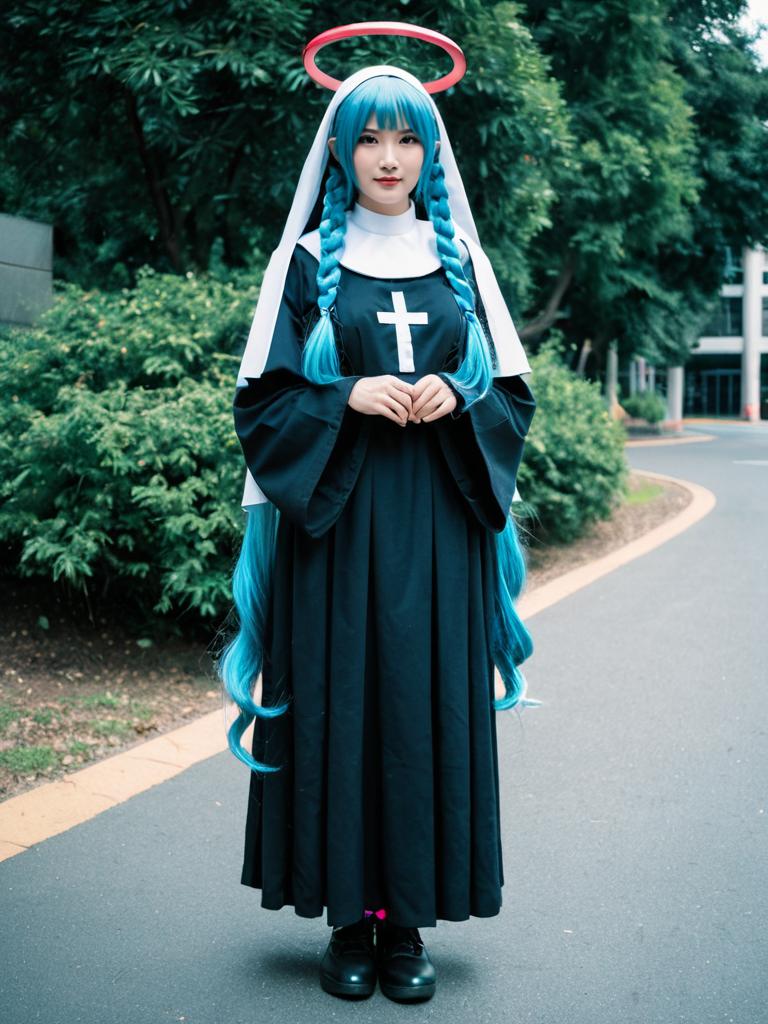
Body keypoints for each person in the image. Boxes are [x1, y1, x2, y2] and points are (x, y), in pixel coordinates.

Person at [217, 61, 537, 1004]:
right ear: (339, 150)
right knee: (340, 707)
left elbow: (514, 398)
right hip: (336, 529)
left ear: (430, 151)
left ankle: (408, 929)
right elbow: (263, 404)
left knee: (425, 709)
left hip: (439, 532)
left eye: (406, 138)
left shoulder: (463, 265)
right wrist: (345, 393)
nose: (387, 158)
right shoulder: (305, 265)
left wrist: (460, 390)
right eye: (368, 138)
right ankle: (349, 922)